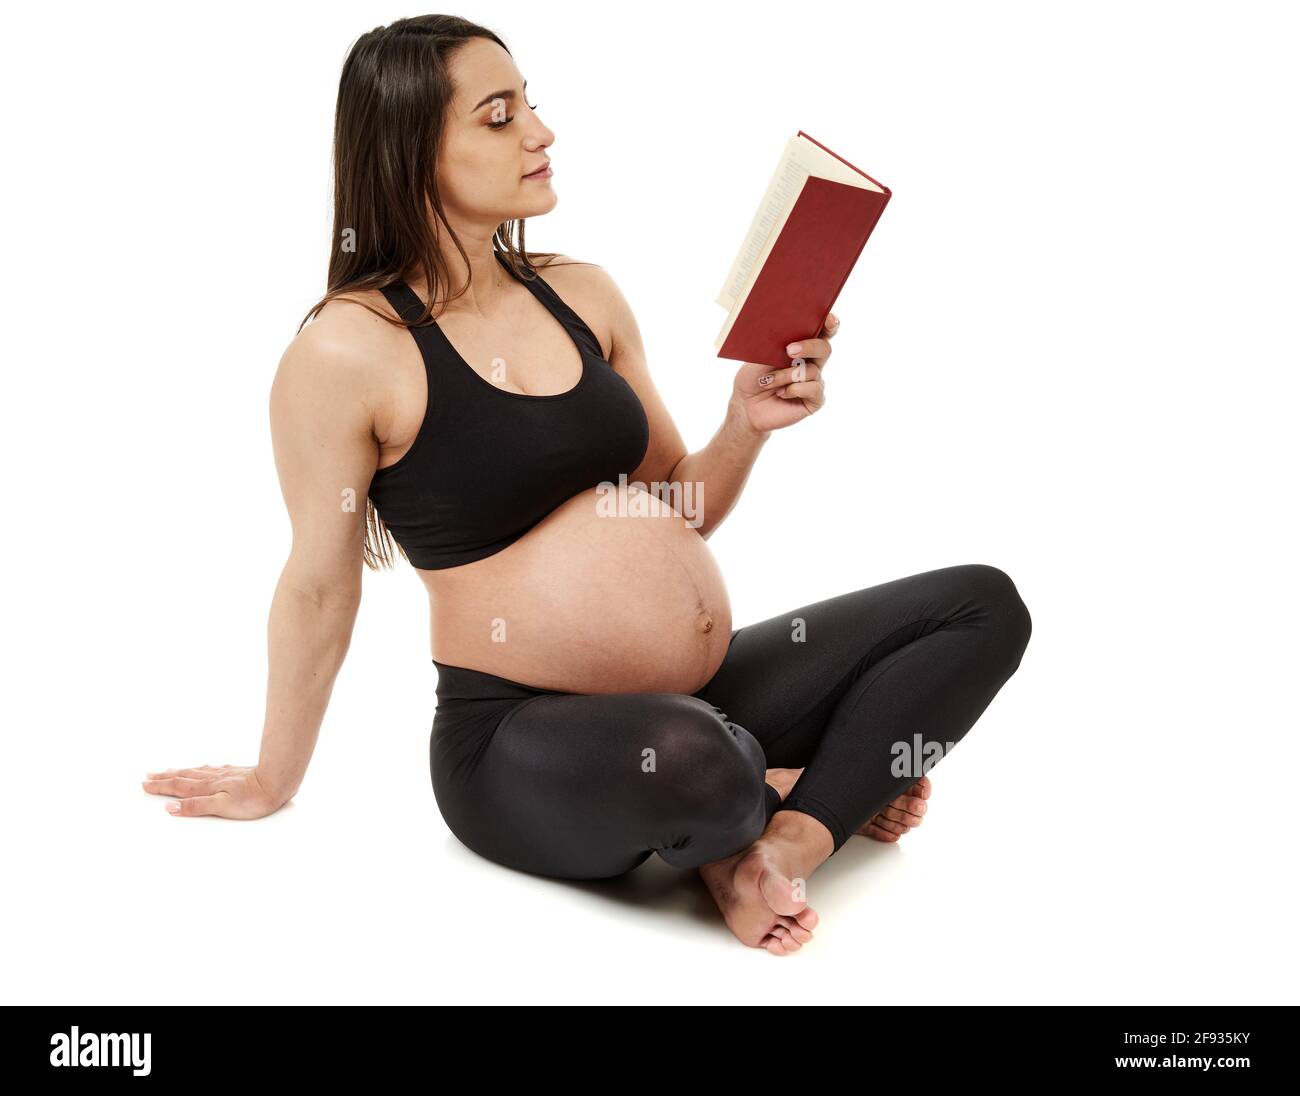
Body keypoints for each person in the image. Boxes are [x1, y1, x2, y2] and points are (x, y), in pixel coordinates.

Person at [142, 15, 1032, 955]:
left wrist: (745, 421)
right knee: (700, 761)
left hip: (700, 691)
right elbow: (320, 583)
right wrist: (273, 778)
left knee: (982, 605)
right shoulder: (347, 352)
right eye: (498, 115)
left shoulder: (583, 294)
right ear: (411, 150)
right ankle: (800, 788)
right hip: (520, 737)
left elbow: (684, 507)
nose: (540, 131)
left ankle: (784, 839)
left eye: (531, 103)